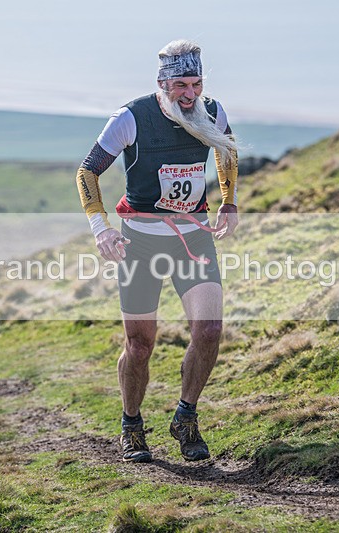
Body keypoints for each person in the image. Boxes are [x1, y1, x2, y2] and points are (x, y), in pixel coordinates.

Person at [76, 39, 239, 463]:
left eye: (197, 84)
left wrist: (229, 201)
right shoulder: (131, 117)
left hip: (193, 237)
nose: (190, 94)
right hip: (140, 242)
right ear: (162, 84)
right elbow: (87, 171)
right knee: (141, 344)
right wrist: (101, 227)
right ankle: (132, 425)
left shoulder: (212, 111)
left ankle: (185, 417)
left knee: (209, 330)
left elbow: (227, 154)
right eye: (181, 84)